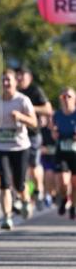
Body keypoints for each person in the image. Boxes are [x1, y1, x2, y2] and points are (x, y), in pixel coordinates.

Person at [0, 68, 37, 229]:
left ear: (15, 82)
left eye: (8, 80)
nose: (5, 83)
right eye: (3, 80)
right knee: (4, 183)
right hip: (0, 146)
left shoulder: (23, 100)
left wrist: (20, 117)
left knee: (19, 183)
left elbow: (34, 123)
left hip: (20, 147)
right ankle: (6, 217)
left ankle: (25, 200)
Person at [16, 65, 52, 210]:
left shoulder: (35, 90)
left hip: (32, 134)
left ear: (29, 78)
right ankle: (21, 197)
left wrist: (29, 107)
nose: (19, 78)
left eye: (22, 75)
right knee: (19, 167)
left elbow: (48, 109)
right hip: (16, 135)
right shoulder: (13, 91)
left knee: (33, 165)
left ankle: (38, 190)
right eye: (18, 75)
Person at [53, 87, 76, 220]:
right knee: (63, 181)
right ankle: (64, 198)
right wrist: (54, 133)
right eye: (63, 97)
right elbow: (53, 131)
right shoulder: (57, 115)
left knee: (75, 183)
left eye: (69, 96)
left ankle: (73, 206)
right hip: (62, 152)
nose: (66, 99)